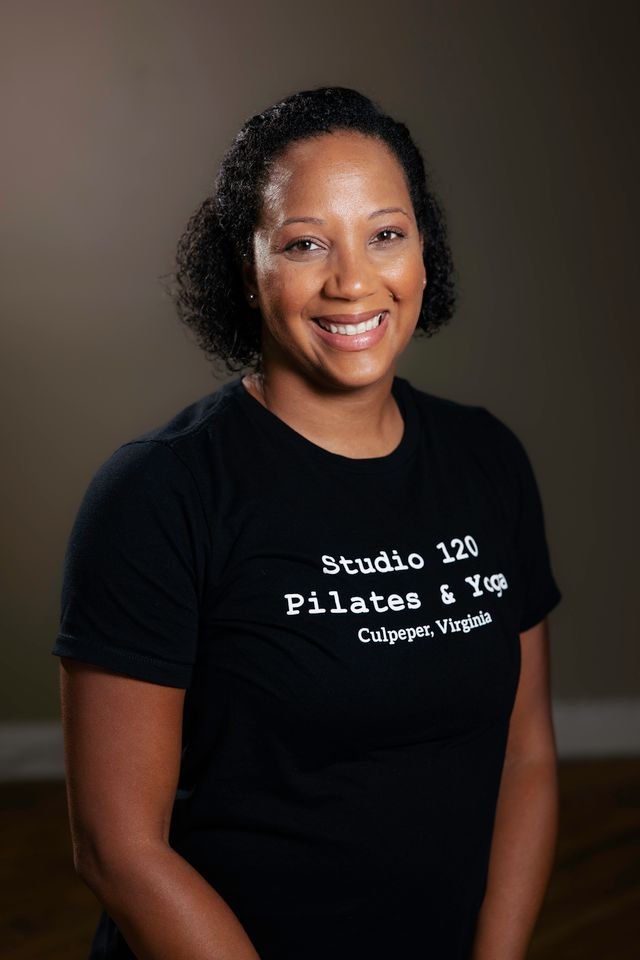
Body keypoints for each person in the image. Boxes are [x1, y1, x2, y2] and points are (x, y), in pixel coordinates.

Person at [54, 87, 562, 960]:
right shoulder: (159, 494)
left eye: (386, 234)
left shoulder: (487, 461)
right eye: (305, 244)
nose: (353, 279)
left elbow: (526, 759)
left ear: (423, 254)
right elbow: (118, 849)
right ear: (246, 272)